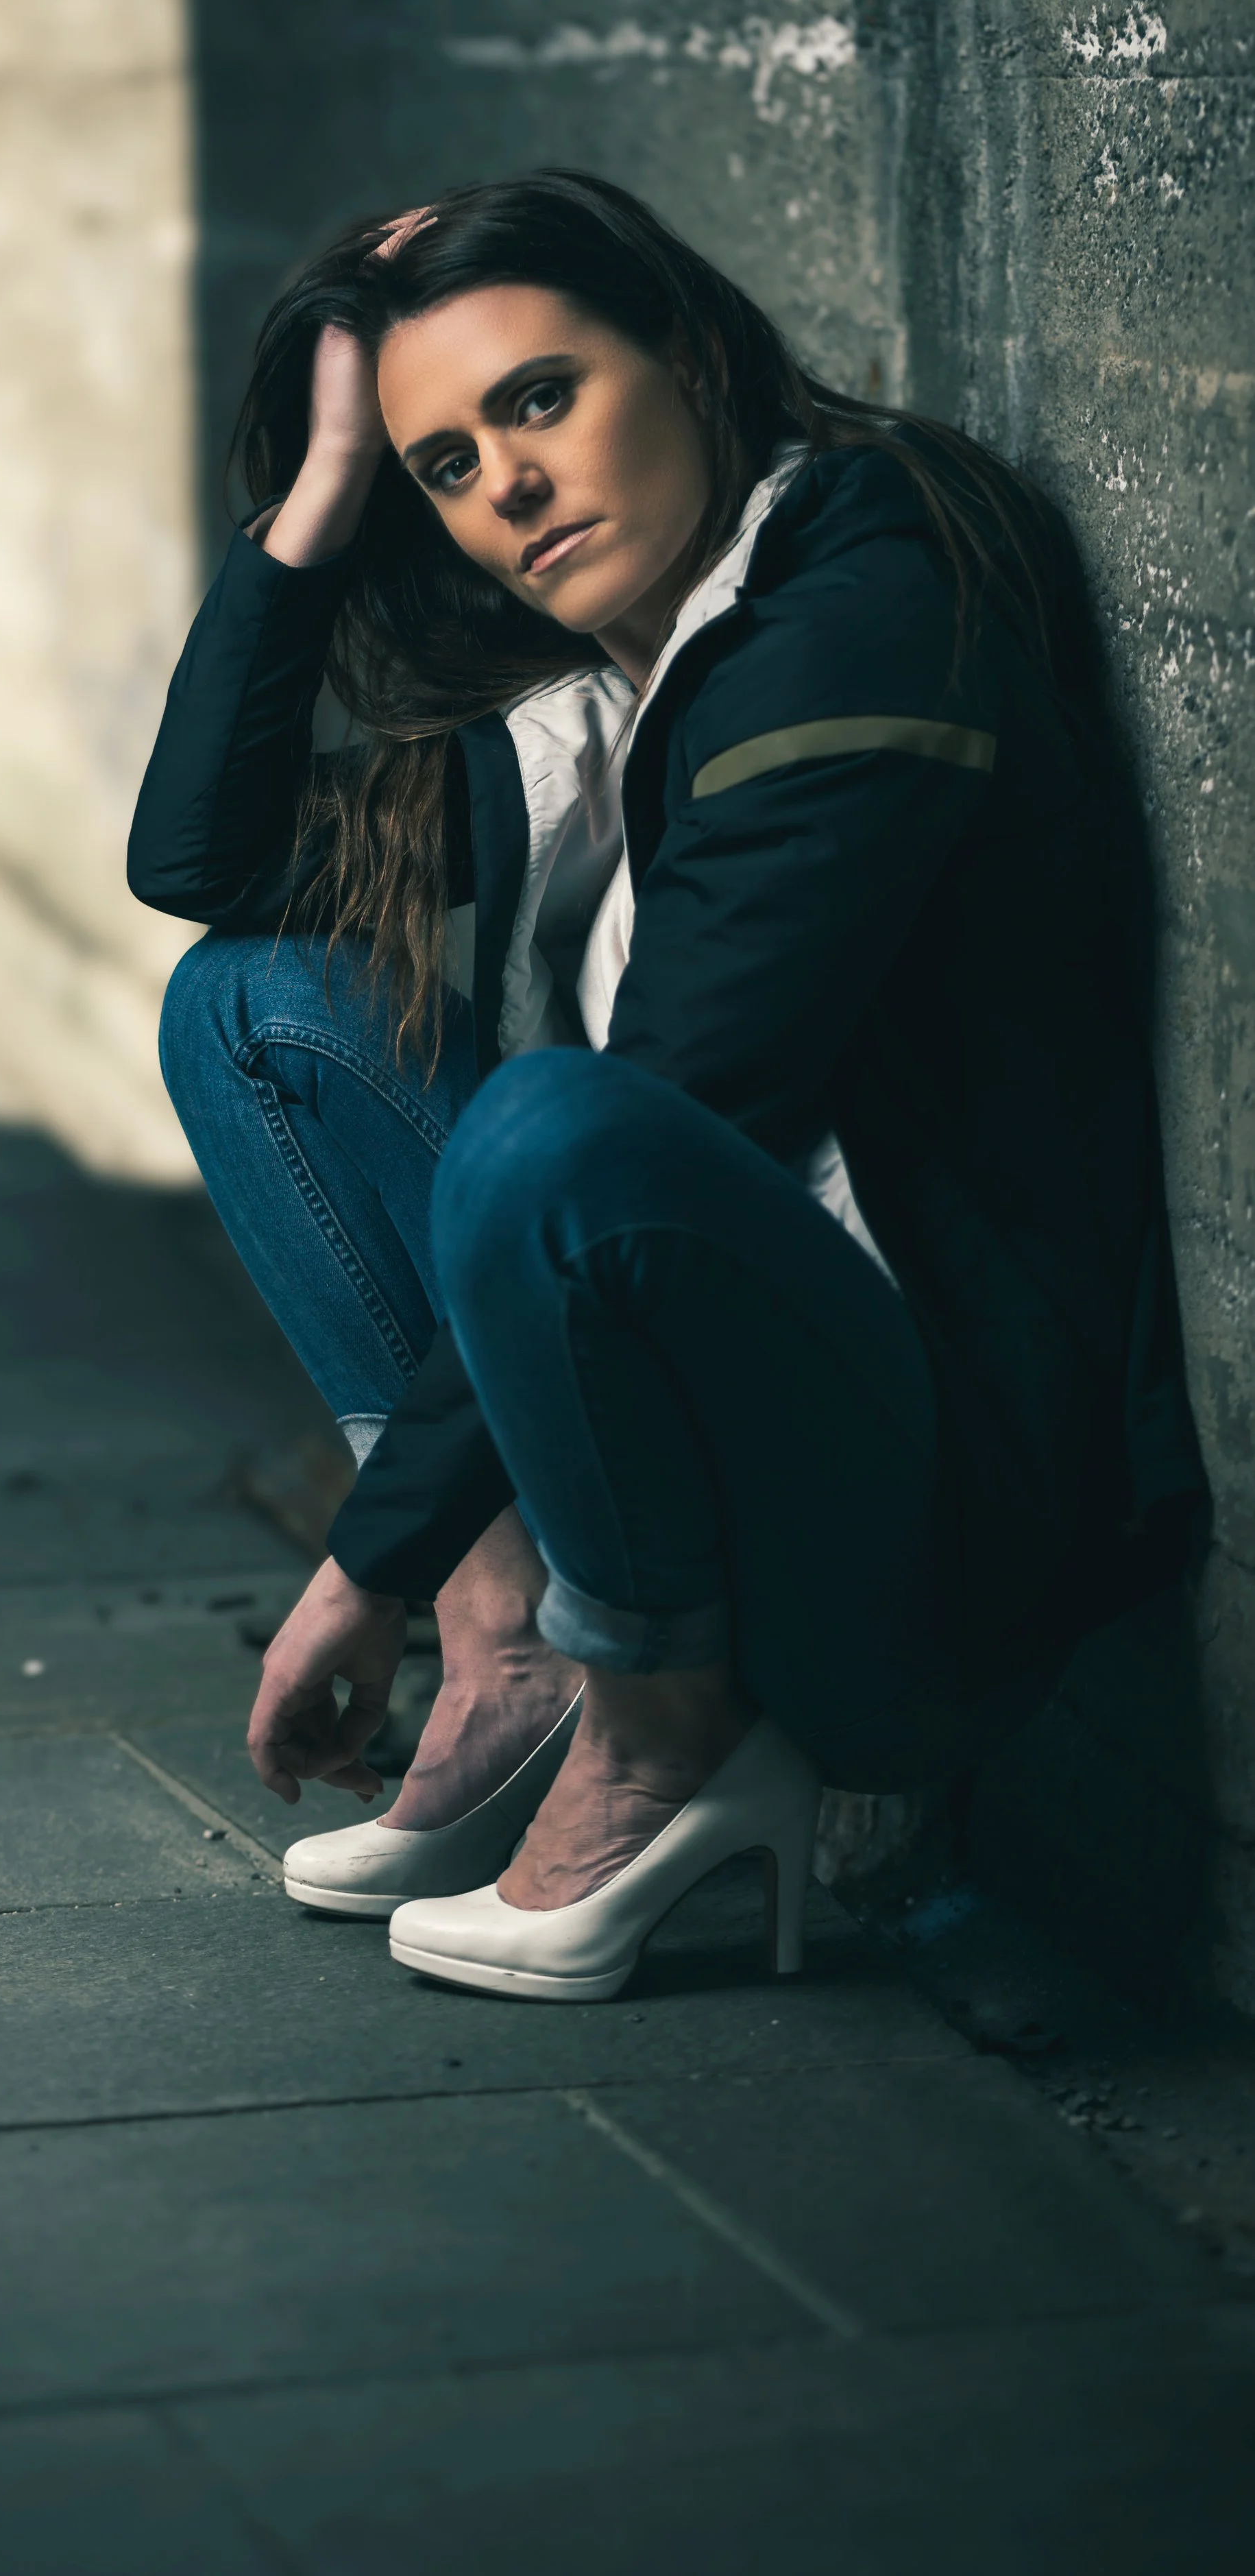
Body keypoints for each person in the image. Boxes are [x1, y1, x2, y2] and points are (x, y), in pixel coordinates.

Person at [128, 170, 1207, 2003]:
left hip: (921, 1550)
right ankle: (518, 1649)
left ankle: (662, 1726)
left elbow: (695, 1096)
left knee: (562, 1128)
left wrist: (357, 1566)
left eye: (540, 399)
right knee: (252, 1008)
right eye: (447, 464)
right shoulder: (585, 697)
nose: (507, 486)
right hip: (688, 1445)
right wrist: (320, 495)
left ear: (692, 355)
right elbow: (198, 865)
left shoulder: (863, 597)